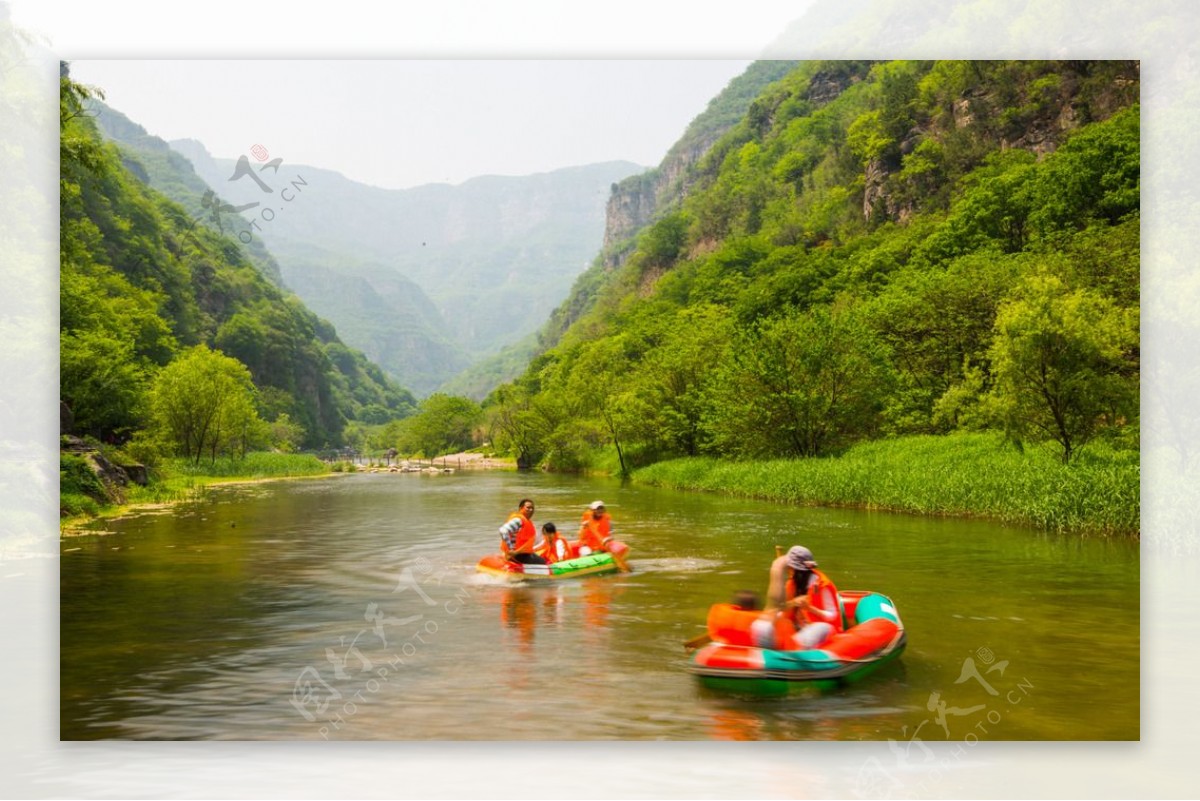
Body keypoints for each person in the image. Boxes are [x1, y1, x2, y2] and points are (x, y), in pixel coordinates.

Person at [752, 545, 839, 649]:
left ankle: (791, 653)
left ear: (797, 570)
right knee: (763, 626)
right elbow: (780, 608)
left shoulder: (822, 586)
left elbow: (833, 615)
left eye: (790, 568)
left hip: (821, 629)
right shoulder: (792, 583)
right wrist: (793, 603)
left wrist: (810, 609)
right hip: (798, 628)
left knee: (810, 633)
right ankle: (774, 652)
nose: (788, 570)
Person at [498, 498, 547, 565]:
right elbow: (503, 530)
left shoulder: (526, 521)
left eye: (532, 508)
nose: (531, 510)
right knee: (543, 562)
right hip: (518, 555)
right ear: (521, 508)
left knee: (539, 557)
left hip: (521, 553)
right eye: (528, 508)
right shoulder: (519, 520)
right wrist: (511, 549)